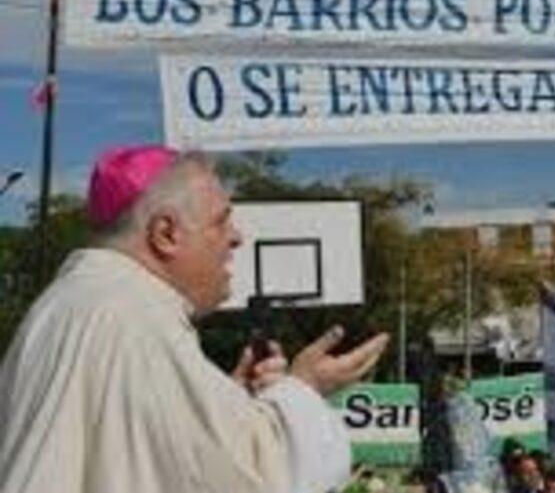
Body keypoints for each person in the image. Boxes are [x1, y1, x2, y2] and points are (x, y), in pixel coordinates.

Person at [0, 146, 390, 493]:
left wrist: (228, 400)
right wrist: (303, 389)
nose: (236, 237)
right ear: (166, 234)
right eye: (221, 221)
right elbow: (248, 473)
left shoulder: (73, 302)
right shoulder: (136, 317)